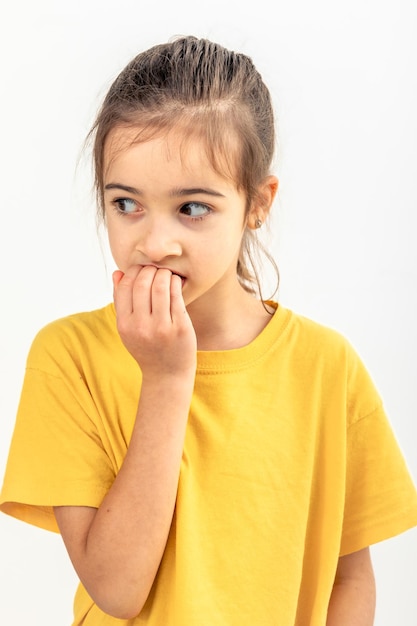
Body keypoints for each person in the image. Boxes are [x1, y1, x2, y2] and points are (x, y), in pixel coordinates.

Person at [1, 35, 417, 626]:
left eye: (192, 208)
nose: (154, 242)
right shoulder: (69, 357)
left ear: (257, 203)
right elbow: (117, 590)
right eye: (126, 204)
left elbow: (349, 579)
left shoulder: (327, 366)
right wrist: (167, 379)